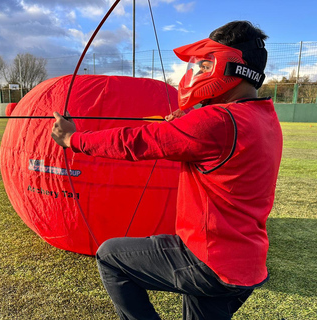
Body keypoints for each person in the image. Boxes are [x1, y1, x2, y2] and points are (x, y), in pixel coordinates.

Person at [52, 20, 283, 320]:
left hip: (209, 260)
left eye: (204, 64)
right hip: (245, 268)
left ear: (228, 68)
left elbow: (134, 142)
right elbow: (219, 141)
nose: (197, 72)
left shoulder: (217, 122)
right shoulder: (264, 117)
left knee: (110, 257)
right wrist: (188, 119)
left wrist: (72, 138)